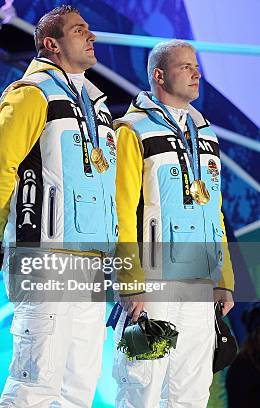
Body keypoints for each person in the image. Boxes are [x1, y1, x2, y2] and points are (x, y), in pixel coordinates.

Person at [0, 5, 117, 406]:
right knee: (35, 383)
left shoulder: (97, 104)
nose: (92, 37)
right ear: (52, 44)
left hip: (89, 261)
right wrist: (18, 228)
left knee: (78, 388)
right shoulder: (32, 93)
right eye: (80, 30)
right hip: (45, 255)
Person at [112, 39, 235, 407]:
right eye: (186, 67)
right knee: (141, 389)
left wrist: (223, 280)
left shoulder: (207, 136)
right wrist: (130, 281)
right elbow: (120, 213)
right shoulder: (132, 131)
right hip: (153, 282)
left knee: (193, 394)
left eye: (196, 66)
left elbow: (215, 214)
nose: (197, 73)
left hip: (199, 283)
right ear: (159, 75)